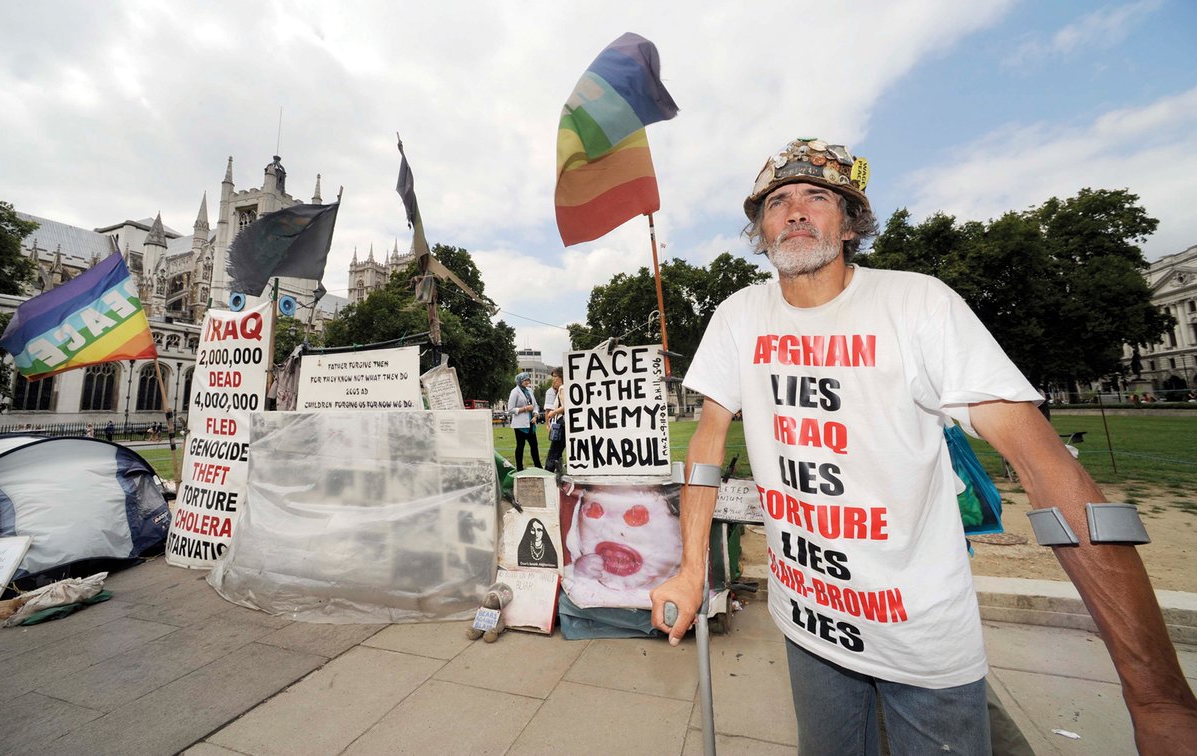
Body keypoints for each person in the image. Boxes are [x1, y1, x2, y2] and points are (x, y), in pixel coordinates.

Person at [649, 137, 1197, 754]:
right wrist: (691, 569)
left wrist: (1156, 695)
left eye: (817, 197)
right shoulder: (738, 316)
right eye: (778, 202)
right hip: (806, 622)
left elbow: (1040, 463)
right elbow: (708, 442)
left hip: (919, 638)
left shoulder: (918, 304)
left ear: (849, 223)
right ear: (761, 230)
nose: (795, 210)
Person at [507, 372, 541, 470]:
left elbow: (535, 405)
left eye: (528, 380)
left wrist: (535, 415)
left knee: (534, 445)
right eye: (525, 380)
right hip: (520, 425)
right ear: (519, 381)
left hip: (531, 423)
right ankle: (519, 468)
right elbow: (510, 409)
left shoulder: (530, 391)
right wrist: (525, 409)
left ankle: (538, 467)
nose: (527, 382)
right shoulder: (515, 392)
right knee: (520, 446)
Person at [544, 367, 567, 472]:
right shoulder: (563, 388)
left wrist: (553, 412)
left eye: (555, 376)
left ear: (561, 377)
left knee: (554, 452)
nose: (553, 379)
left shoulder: (562, 388)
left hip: (561, 423)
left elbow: (566, 406)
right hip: (563, 423)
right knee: (557, 452)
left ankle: (549, 472)